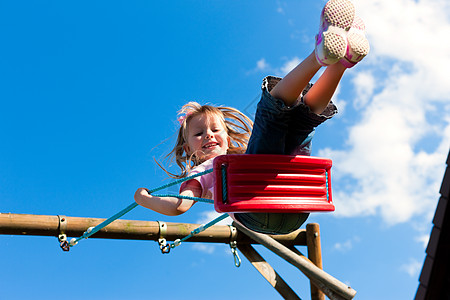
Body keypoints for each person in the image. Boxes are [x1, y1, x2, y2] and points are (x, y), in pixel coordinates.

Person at [134, 0, 369, 234]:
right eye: (198, 133)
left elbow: (180, 207)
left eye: (215, 130)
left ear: (227, 136)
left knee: (303, 120)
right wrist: (144, 199)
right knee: (272, 112)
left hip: (291, 205)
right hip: (265, 207)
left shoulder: (242, 157)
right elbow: (179, 206)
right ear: (187, 149)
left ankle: (341, 62)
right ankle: (319, 55)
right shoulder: (205, 169)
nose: (209, 135)